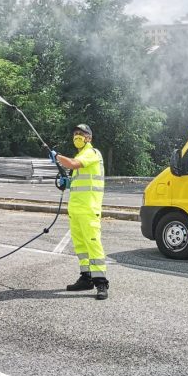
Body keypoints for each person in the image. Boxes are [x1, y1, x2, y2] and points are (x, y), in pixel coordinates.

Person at [50, 124, 109, 300]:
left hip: (89, 210)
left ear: (88, 138)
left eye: (81, 134)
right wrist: (66, 183)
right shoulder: (80, 154)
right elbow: (78, 181)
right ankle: (86, 278)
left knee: (93, 245)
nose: (77, 136)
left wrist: (57, 157)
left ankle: (101, 283)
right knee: (81, 247)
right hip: (76, 211)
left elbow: (73, 164)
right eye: (75, 134)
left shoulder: (92, 153)